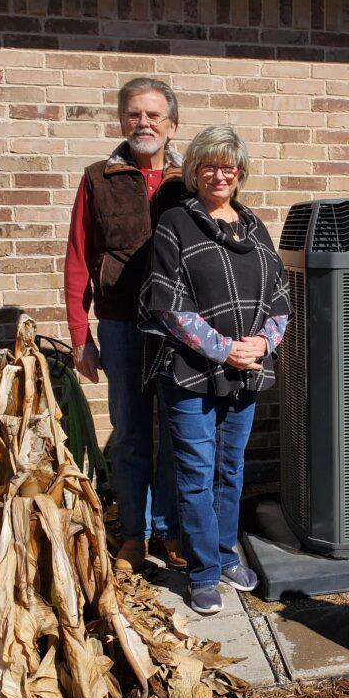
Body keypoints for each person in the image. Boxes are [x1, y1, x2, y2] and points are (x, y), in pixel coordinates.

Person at [139, 125, 290, 614]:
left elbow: (282, 300)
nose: (219, 174)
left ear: (240, 172)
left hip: (245, 371)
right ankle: (202, 573)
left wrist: (264, 341)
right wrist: (225, 348)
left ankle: (225, 554)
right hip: (189, 373)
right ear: (195, 172)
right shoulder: (175, 224)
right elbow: (169, 305)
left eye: (228, 166)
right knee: (196, 473)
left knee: (231, 469)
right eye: (208, 165)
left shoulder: (256, 228)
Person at [64, 77, 186, 574]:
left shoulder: (191, 179)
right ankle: (134, 534)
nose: (144, 123)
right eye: (135, 114)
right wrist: (80, 338)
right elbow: (77, 259)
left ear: (172, 125)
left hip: (182, 329)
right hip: (120, 327)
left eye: (154, 115)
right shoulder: (99, 178)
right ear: (121, 121)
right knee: (131, 434)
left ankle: (173, 529)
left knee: (181, 433)